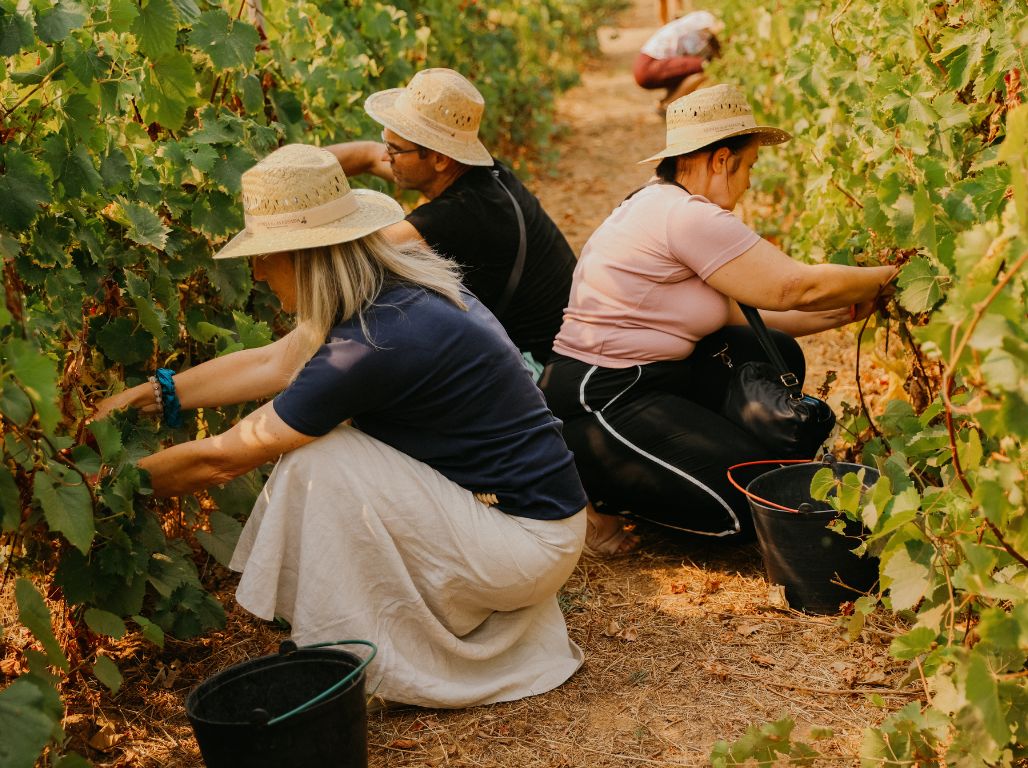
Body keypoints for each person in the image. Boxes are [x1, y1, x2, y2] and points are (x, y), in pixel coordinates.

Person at [93, 144, 588, 708]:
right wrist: (156, 394)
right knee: (324, 450)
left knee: (318, 458)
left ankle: (354, 655)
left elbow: (226, 456)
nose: (255, 271)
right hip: (530, 524)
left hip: (524, 547)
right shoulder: (394, 289)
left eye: (265, 255)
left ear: (307, 256)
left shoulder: (372, 341)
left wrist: (110, 487)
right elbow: (273, 362)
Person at [539, 85, 898, 553]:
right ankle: (596, 491)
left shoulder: (660, 203)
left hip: (655, 380)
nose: (749, 182)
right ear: (721, 160)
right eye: (749, 166)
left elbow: (740, 311)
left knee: (773, 352)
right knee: (748, 507)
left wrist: (845, 313)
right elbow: (793, 286)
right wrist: (894, 275)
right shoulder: (684, 216)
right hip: (599, 397)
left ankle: (662, 470)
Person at [326, 68, 578, 371]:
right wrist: (288, 173)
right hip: (563, 346)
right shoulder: (481, 178)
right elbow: (366, 154)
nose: (385, 156)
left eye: (395, 149)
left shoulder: (458, 217)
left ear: (440, 159)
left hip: (541, 370)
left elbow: (348, 258)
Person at [634, 10, 722, 113]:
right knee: (708, 68)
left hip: (646, 63)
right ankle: (669, 106)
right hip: (649, 67)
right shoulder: (705, 19)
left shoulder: (696, 22)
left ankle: (666, 103)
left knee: (692, 67)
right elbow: (715, 31)